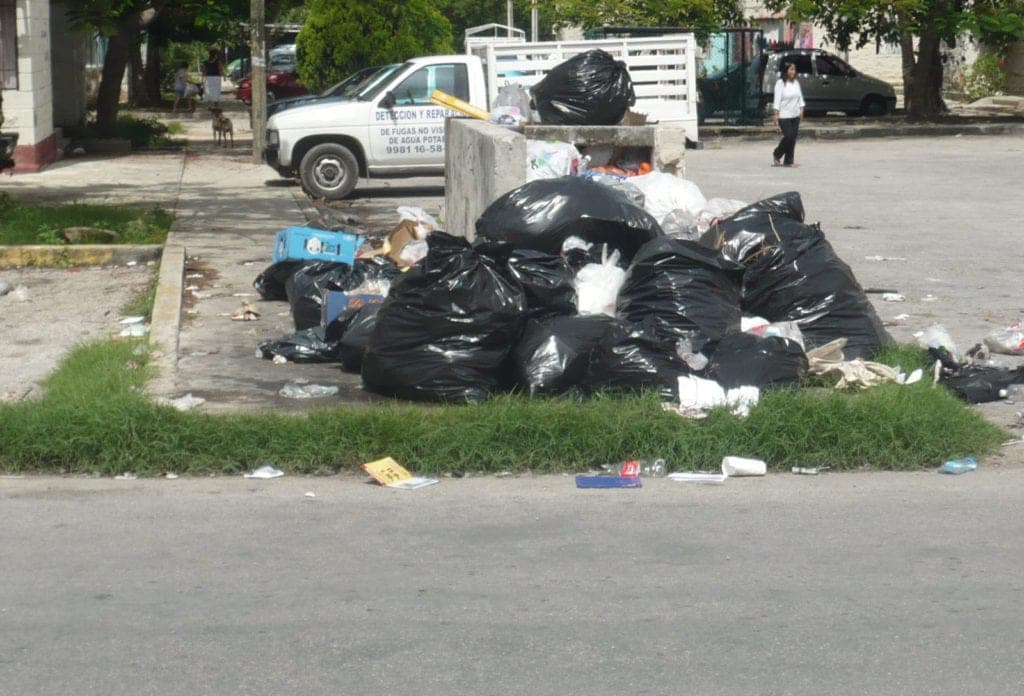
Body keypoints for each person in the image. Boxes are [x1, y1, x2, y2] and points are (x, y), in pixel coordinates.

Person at [771, 61, 805, 167]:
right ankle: (777, 153)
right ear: (786, 70)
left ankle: (789, 161)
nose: (793, 72)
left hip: (795, 115)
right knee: (789, 137)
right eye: (791, 69)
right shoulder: (780, 83)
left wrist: (801, 110)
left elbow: (800, 98)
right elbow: (777, 99)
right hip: (784, 116)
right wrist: (776, 114)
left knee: (793, 139)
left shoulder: (796, 83)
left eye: (794, 69)